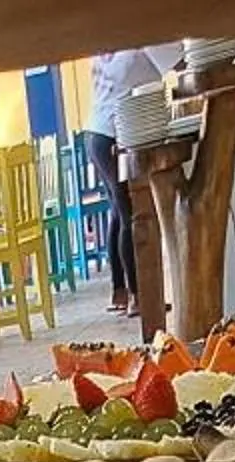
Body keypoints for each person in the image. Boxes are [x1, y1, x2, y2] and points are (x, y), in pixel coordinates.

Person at [81, 46, 181, 321]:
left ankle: (120, 292)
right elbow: (184, 63)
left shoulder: (112, 37)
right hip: (114, 132)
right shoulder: (144, 36)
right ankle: (140, 296)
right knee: (132, 213)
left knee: (118, 210)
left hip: (96, 132)